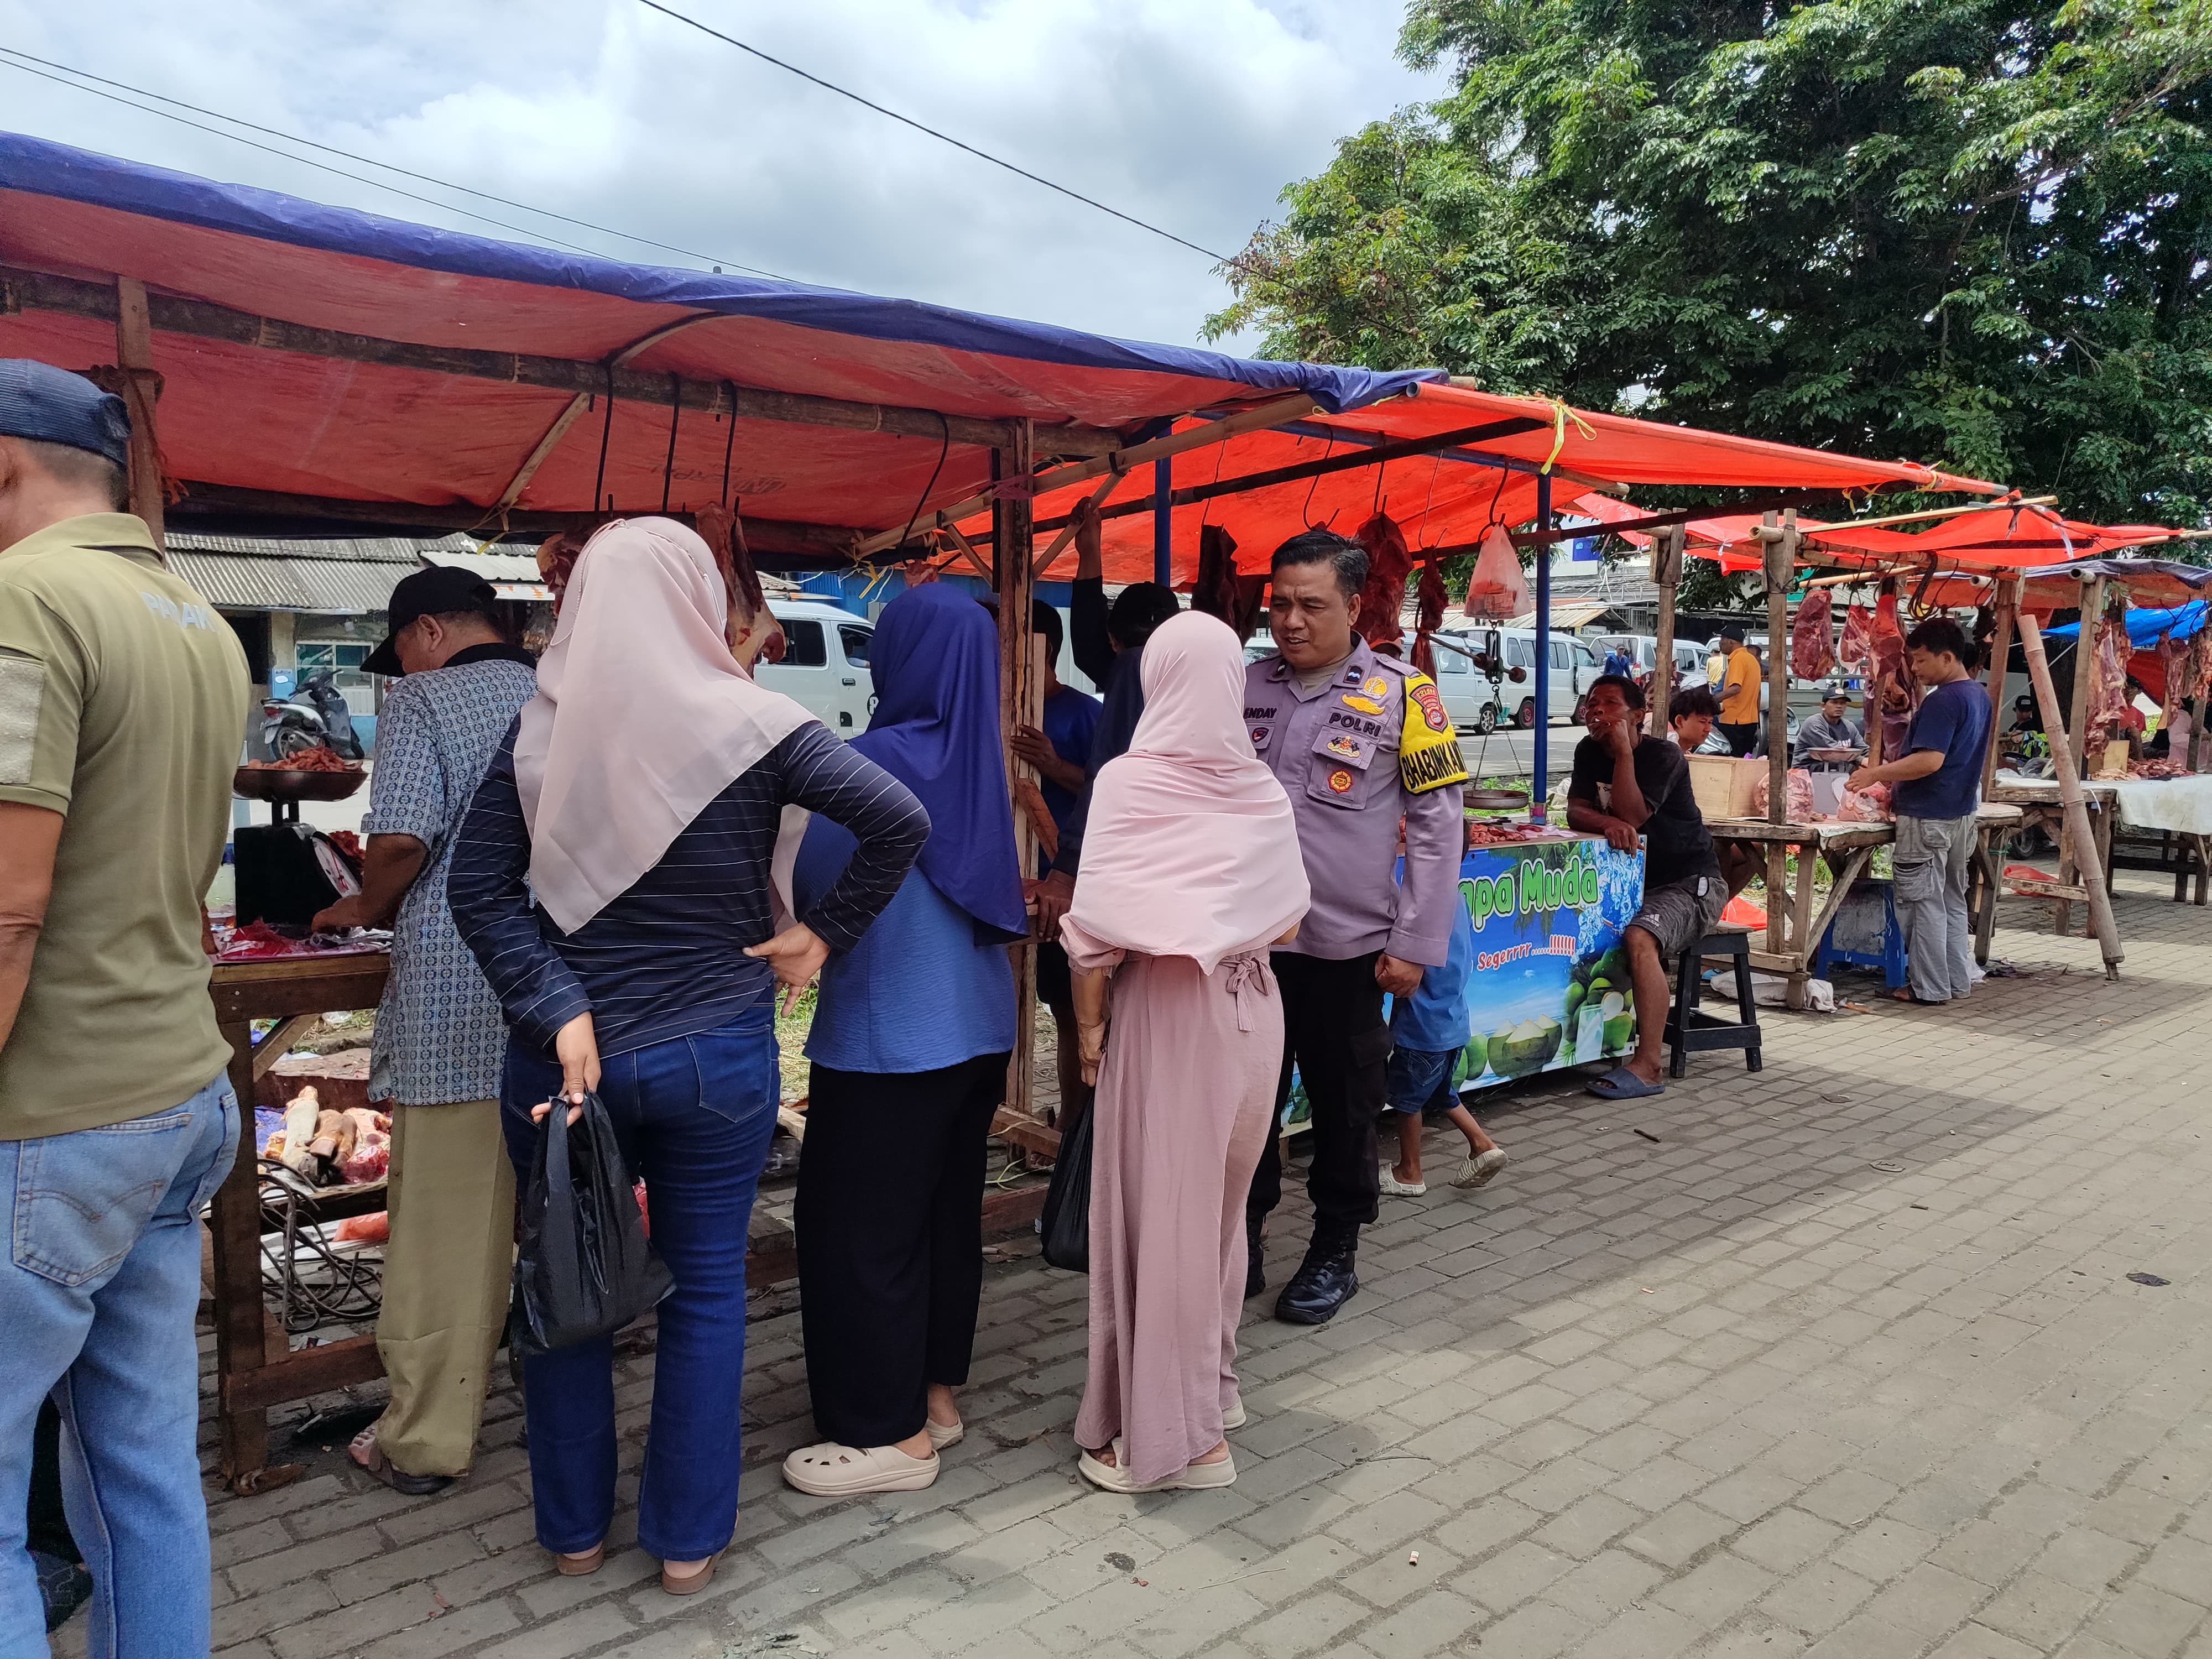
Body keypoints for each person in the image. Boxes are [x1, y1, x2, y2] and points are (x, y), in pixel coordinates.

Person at [449, 518, 927, 1593]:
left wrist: (556, 1004)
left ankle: (574, 1536)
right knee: (706, 1293)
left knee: (565, 1285)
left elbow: (475, 890)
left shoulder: (541, 729)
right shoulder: (759, 723)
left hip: (566, 1065)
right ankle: (686, 1547)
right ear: (697, 601)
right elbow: (897, 820)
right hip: (717, 1057)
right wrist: (823, 935)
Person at [0, 359, 250, 1657]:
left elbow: (8, 906)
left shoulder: (24, 599)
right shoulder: (196, 615)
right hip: (175, 1092)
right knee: (143, 1469)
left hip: (52, 1114)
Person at [781, 587, 1026, 1497]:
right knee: (941, 1217)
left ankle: (886, 1436)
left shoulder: (868, 762)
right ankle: (934, 1394)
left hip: (890, 1036)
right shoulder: (983, 762)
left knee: (859, 1230)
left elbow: (811, 887)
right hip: (978, 1030)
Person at [1061, 611, 1309, 1492]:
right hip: (1255, 1013)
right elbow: (1289, 921)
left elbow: (1094, 937)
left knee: (1164, 1222)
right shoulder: (1260, 787)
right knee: (1218, 1217)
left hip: (1170, 1015)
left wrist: (1090, 1034)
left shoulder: (1130, 782)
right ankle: (1213, 1390)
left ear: (1155, 680)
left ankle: (1178, 1445)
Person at [306, 566, 538, 1496]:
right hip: (562, 987)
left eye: (399, 648)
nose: (398, 668)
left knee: (447, 1227)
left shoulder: (422, 701)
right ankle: (549, 1390)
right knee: (544, 1207)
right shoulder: (558, 688)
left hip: (461, 992)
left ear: (431, 632)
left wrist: (361, 904)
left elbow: (401, 837)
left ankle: (425, 1439)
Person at [1241, 529, 1467, 1323]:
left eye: (1310, 604)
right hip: (1248, 949)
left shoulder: (1407, 695)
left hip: (1346, 951)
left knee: (1345, 1108)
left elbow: (1438, 830)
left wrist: (1415, 944)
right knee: (1245, 1104)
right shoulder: (1244, 687)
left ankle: (1334, 1251)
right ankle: (1242, 1241)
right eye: (1279, 604)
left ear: (1354, 604)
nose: (1290, 620)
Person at [1029, 495, 1181, 941]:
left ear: (1115, 641)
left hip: (1141, 861)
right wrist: (1089, 550)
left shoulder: (1132, 668)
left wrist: (1065, 870)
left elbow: (1106, 775)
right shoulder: (1189, 673)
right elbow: (1091, 645)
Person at [1567, 675, 1725, 1100]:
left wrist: (1624, 753)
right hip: (1636, 886)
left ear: (1638, 716)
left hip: (1691, 884)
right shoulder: (1587, 751)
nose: (1597, 711)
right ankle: (1587, 1046)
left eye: (1609, 704)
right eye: (1592, 704)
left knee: (1639, 936)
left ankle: (1649, 1066)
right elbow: (1575, 811)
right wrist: (1607, 822)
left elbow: (1633, 816)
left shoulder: (1664, 756)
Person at [1846, 616, 1992, 1006]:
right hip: (1960, 815)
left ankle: (1928, 987)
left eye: (1921, 660)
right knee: (1951, 901)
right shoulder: (1978, 695)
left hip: (1929, 816)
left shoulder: (1944, 700)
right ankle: (1955, 982)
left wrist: (1875, 774)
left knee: (1922, 905)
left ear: (1947, 658)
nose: (1914, 668)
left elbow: (1930, 761)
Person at [1007, 599, 1102, 1122]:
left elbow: (1110, 792)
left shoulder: (1087, 714)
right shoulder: (997, 709)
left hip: (1069, 888)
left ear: (1040, 649)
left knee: (1076, 1013)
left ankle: (1073, 1126)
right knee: (1028, 1004)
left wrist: (1053, 765)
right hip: (1011, 885)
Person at [1378, 821, 1507, 1197]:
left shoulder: (1419, 908)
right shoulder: (1455, 897)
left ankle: (1410, 1172)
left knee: (1407, 1100)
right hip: (1452, 1023)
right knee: (1439, 1091)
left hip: (1422, 1027)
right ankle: (1482, 1144)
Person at [1792, 686, 1866, 773]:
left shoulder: (1849, 726)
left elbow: (1864, 749)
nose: (1839, 706)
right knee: (1851, 767)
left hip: (1836, 767)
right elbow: (1833, 751)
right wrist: (1861, 760)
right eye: (1834, 702)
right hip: (1806, 770)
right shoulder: (1814, 723)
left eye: (1842, 703)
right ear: (1823, 706)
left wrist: (1874, 761)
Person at [1715, 626, 1761, 754]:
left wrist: (1712, 699)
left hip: (1734, 721)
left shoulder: (1738, 659)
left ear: (1730, 642)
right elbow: (1758, 694)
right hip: (1750, 721)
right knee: (1743, 759)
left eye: (1722, 639)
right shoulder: (1751, 659)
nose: (1720, 643)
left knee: (1732, 760)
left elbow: (1736, 688)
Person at [1666, 686, 1727, 754]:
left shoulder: (1682, 754)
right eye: (1703, 722)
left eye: (1710, 722)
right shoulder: (1665, 752)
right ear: (1679, 721)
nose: (1708, 729)